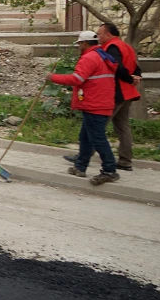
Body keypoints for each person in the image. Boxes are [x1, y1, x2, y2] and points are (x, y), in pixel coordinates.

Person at [49, 30, 120, 185]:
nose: (79, 46)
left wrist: (52, 77)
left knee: (97, 139)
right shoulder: (102, 56)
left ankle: (109, 170)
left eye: (80, 43)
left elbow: (77, 79)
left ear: (85, 43)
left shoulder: (89, 58)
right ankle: (80, 166)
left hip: (95, 103)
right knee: (86, 137)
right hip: (100, 102)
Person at [97, 22, 141, 171]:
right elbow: (136, 67)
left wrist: (129, 79)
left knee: (97, 126)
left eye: (99, 34)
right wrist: (136, 78)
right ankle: (125, 161)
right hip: (128, 92)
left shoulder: (112, 47)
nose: (98, 37)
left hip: (117, 92)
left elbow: (117, 67)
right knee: (123, 127)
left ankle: (83, 157)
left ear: (108, 35)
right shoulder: (126, 46)